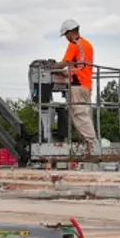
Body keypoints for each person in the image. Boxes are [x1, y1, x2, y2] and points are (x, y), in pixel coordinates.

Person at [50, 19, 98, 153]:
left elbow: (65, 62)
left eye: (66, 35)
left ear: (70, 32)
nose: (66, 38)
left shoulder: (73, 44)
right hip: (86, 83)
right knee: (84, 114)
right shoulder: (87, 44)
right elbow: (80, 65)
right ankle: (90, 144)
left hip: (77, 84)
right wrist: (69, 73)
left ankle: (92, 144)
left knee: (79, 114)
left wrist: (51, 67)